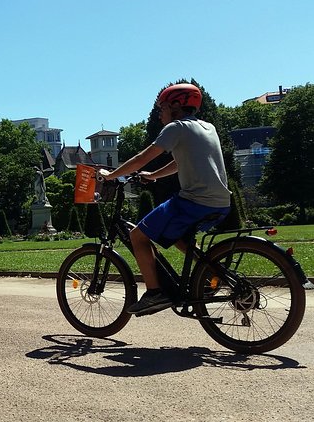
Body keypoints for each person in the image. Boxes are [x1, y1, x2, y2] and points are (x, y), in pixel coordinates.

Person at [99, 83, 231, 315]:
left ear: (176, 105)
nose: (160, 113)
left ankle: (154, 293)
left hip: (194, 201)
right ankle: (211, 273)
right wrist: (154, 176)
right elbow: (182, 161)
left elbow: (142, 157)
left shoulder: (176, 128)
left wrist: (112, 175)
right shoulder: (207, 127)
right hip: (220, 202)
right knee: (177, 236)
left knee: (138, 235)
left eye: (162, 108)